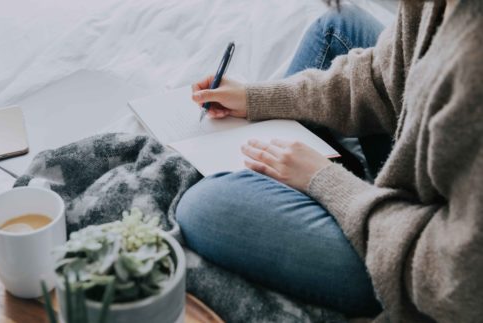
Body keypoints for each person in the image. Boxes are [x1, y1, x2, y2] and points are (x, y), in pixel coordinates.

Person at [176, 0, 483, 321]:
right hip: (423, 174)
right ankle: (285, 180)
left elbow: (458, 283)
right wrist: (259, 98)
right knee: (338, 27)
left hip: (419, 269)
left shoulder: (474, 64)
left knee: (204, 206)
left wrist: (325, 180)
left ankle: (289, 189)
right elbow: (383, 78)